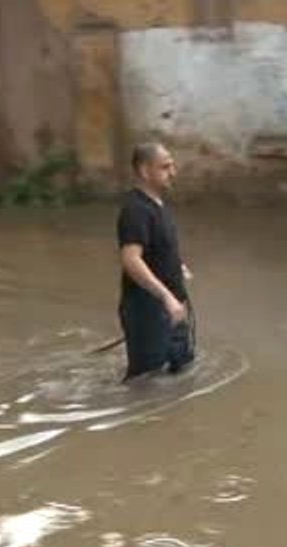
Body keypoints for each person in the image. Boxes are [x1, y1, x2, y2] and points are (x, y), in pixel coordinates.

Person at [116, 141, 195, 381]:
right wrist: (166, 297)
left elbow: (158, 248)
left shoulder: (157, 205)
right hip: (148, 310)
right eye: (165, 167)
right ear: (144, 170)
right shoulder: (135, 210)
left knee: (180, 369)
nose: (173, 172)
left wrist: (177, 266)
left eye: (172, 166)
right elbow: (131, 260)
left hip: (171, 308)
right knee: (146, 383)